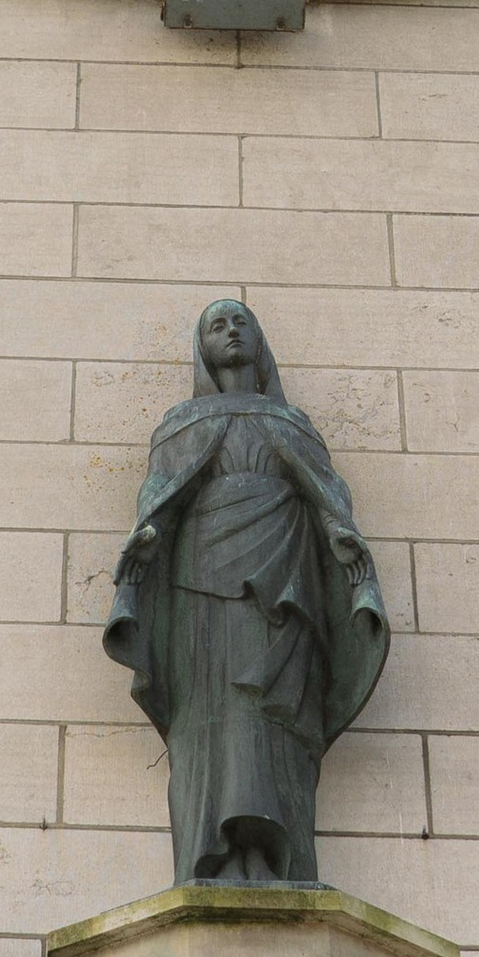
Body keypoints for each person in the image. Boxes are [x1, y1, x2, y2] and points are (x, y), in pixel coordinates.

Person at [104, 298, 389, 886]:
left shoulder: (292, 424)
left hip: (285, 590)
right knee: (213, 715)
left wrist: (346, 546)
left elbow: (325, 497)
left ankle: (279, 858)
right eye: (217, 324)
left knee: (272, 719)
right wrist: (146, 541)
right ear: (202, 348)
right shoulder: (182, 424)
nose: (231, 331)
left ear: (259, 342)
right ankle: (213, 856)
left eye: (241, 322)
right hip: (201, 589)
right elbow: (161, 497)